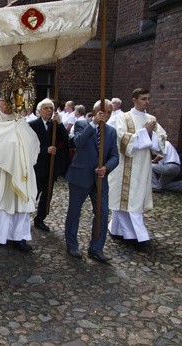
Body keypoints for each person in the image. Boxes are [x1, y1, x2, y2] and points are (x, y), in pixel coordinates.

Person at [0, 97, 39, 252]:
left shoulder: (19, 119)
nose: (7, 107)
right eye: (4, 103)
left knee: (21, 204)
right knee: (1, 205)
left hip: (20, 169)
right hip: (1, 171)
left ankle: (19, 237)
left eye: (11, 104)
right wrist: (11, 147)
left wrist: (21, 149)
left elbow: (31, 140)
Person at [108, 88, 167, 252]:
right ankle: (139, 236)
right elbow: (121, 139)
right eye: (143, 98)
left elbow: (162, 139)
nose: (147, 102)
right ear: (134, 99)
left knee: (134, 200)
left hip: (142, 166)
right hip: (125, 164)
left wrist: (152, 135)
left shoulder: (152, 119)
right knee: (125, 200)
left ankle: (117, 229)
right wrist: (144, 132)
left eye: (148, 98)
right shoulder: (123, 117)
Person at [64, 99, 119, 262]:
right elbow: (78, 143)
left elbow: (115, 156)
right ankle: (72, 245)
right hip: (80, 176)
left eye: (109, 112)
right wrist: (94, 123)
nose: (106, 115)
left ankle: (96, 248)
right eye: (103, 112)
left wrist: (107, 167)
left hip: (100, 179)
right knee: (74, 212)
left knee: (102, 213)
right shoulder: (82, 124)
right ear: (95, 112)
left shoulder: (111, 131)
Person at [28, 98, 69, 232]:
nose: (49, 111)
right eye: (46, 108)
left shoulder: (55, 125)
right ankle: (24, 218)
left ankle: (40, 219)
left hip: (51, 167)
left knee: (47, 196)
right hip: (37, 166)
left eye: (51, 108)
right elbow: (29, 146)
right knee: (33, 194)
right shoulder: (32, 125)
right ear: (40, 111)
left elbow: (66, 140)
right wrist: (45, 150)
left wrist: (60, 123)